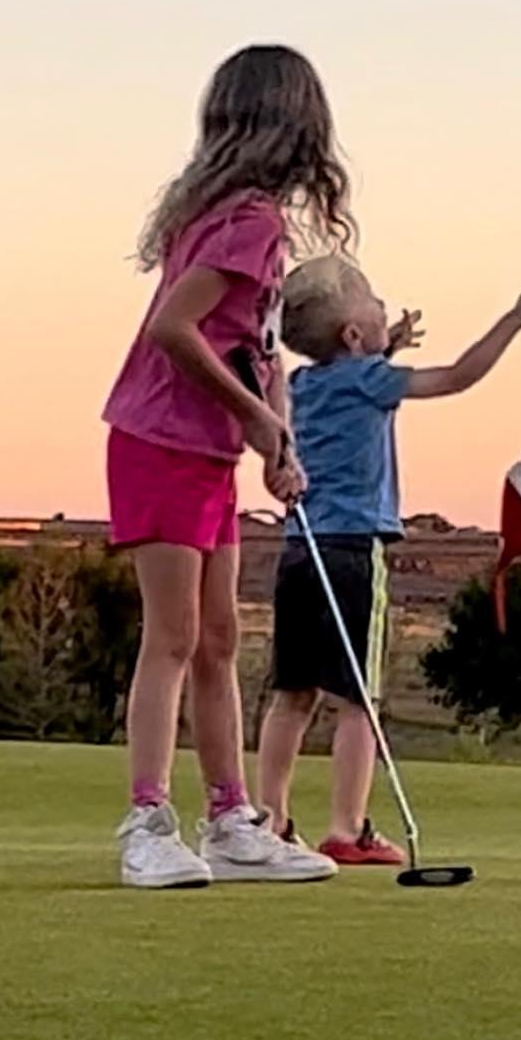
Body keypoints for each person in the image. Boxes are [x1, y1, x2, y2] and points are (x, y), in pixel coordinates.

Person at [103, 44, 355, 888]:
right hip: (160, 441)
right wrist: (255, 416)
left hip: (204, 449)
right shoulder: (247, 221)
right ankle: (146, 820)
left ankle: (230, 820)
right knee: (172, 637)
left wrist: (273, 433)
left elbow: (252, 349)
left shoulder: (233, 217)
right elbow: (173, 330)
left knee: (218, 638)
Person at [257, 255, 521, 863]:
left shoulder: (305, 385)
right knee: (359, 699)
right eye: (374, 303)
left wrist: (382, 346)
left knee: (293, 693)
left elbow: (353, 376)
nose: (384, 306)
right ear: (353, 336)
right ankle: (347, 826)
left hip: (299, 550)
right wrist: (512, 321)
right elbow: (457, 376)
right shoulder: (372, 380)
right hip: (356, 550)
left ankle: (270, 819)